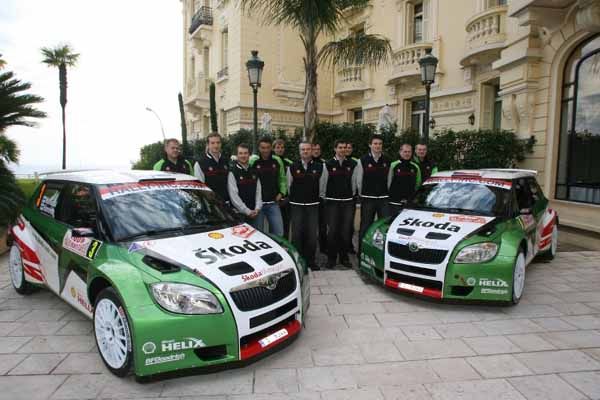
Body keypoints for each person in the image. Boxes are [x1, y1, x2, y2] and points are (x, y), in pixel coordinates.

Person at [287, 141, 328, 271]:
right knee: (297, 234)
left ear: (312, 151)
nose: (305, 151)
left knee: (311, 235)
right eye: (303, 149)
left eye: (308, 149)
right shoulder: (292, 167)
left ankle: (311, 261)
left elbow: (323, 186)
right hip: (296, 205)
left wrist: (319, 198)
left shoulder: (320, 166)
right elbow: (289, 185)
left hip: (313, 205)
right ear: (299, 152)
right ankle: (298, 261)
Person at [324, 140, 358, 269]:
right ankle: (331, 259)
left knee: (345, 232)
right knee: (332, 232)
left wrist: (351, 195)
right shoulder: (327, 164)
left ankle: (344, 258)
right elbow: (324, 183)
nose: (343, 150)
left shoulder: (353, 164)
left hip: (347, 202)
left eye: (345, 147)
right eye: (340, 147)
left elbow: (355, 183)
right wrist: (325, 198)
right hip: (332, 203)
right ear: (335, 149)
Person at [356, 136, 390, 247]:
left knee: (384, 226)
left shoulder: (387, 160)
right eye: (375, 143)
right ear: (370, 145)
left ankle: (380, 250)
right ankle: (362, 251)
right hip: (368, 199)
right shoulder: (362, 160)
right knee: (365, 226)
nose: (378, 146)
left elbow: (389, 179)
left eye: (380, 143)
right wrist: (363, 194)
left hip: (383, 199)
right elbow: (359, 180)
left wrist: (385, 192)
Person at [249, 136, 287, 236]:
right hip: (258, 205)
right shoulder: (253, 161)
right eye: (263, 147)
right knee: (258, 234)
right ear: (259, 148)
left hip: (273, 203)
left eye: (267, 147)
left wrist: (281, 193)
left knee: (279, 233)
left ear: (271, 148)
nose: (265, 150)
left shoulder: (277, 160)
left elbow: (282, 179)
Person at [228, 144, 263, 228]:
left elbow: (258, 192)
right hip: (240, 215)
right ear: (237, 155)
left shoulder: (254, 171)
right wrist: (247, 211)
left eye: (245, 153)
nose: (243, 155)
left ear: (249, 155)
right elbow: (234, 197)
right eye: (240, 153)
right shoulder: (232, 172)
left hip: (255, 212)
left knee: (258, 237)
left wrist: (257, 208)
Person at [194, 132, 230, 204]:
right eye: (212, 143)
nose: (216, 145)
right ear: (208, 145)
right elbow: (200, 187)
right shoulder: (200, 163)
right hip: (211, 205)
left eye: (218, 142)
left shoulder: (226, 161)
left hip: (226, 203)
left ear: (221, 144)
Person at [388, 144, 421, 217]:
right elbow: (388, 182)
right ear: (400, 152)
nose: (407, 153)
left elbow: (418, 183)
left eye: (409, 152)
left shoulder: (415, 167)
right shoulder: (393, 165)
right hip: (395, 202)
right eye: (405, 151)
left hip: (409, 203)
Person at [274, 139, 293, 239]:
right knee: (275, 225)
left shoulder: (289, 162)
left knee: (286, 223)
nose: (280, 149)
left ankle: (285, 243)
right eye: (277, 147)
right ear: (274, 149)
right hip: (275, 197)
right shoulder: (271, 161)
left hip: (286, 198)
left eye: (282, 147)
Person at [312, 143, 328, 255]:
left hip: (321, 198)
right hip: (310, 198)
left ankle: (323, 247)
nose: (316, 151)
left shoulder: (324, 163)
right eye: (314, 149)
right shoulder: (306, 163)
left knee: (323, 225)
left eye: (318, 149)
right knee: (311, 226)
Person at [345, 142, 359, 254]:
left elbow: (358, 180)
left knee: (349, 223)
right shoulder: (335, 161)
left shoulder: (356, 162)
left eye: (349, 147)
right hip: (338, 198)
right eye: (345, 147)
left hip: (351, 198)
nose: (347, 149)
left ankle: (349, 245)